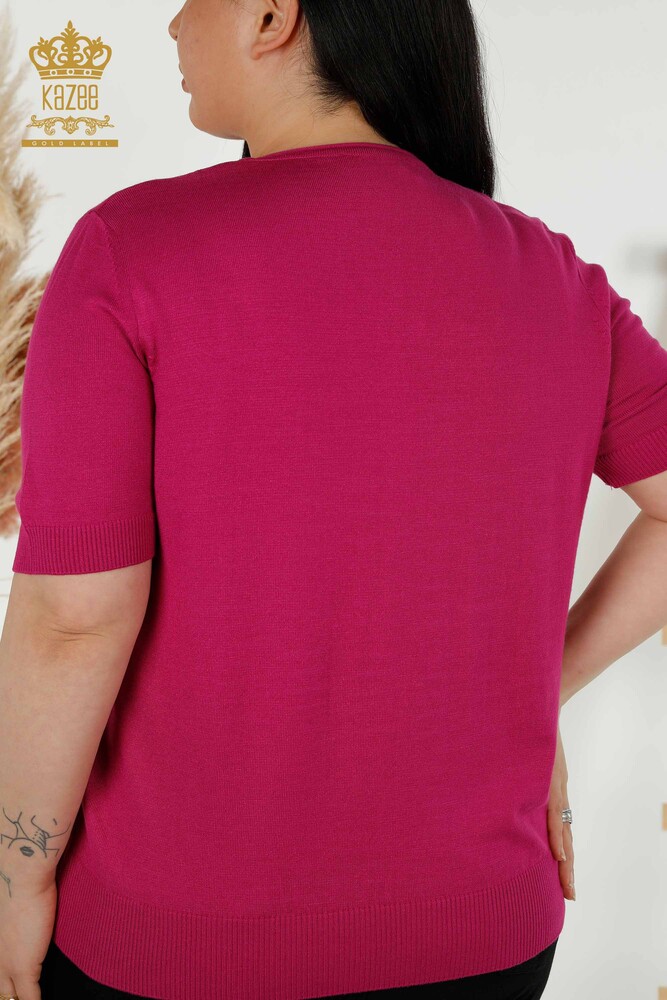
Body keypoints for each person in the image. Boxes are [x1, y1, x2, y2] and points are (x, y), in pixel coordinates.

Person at [1, 0, 667, 998]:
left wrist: (14, 872)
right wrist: (541, 688)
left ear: (274, 14)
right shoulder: (558, 279)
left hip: (182, 948)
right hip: (484, 938)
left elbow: (74, 617)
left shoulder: (130, 250)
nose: (174, 24)